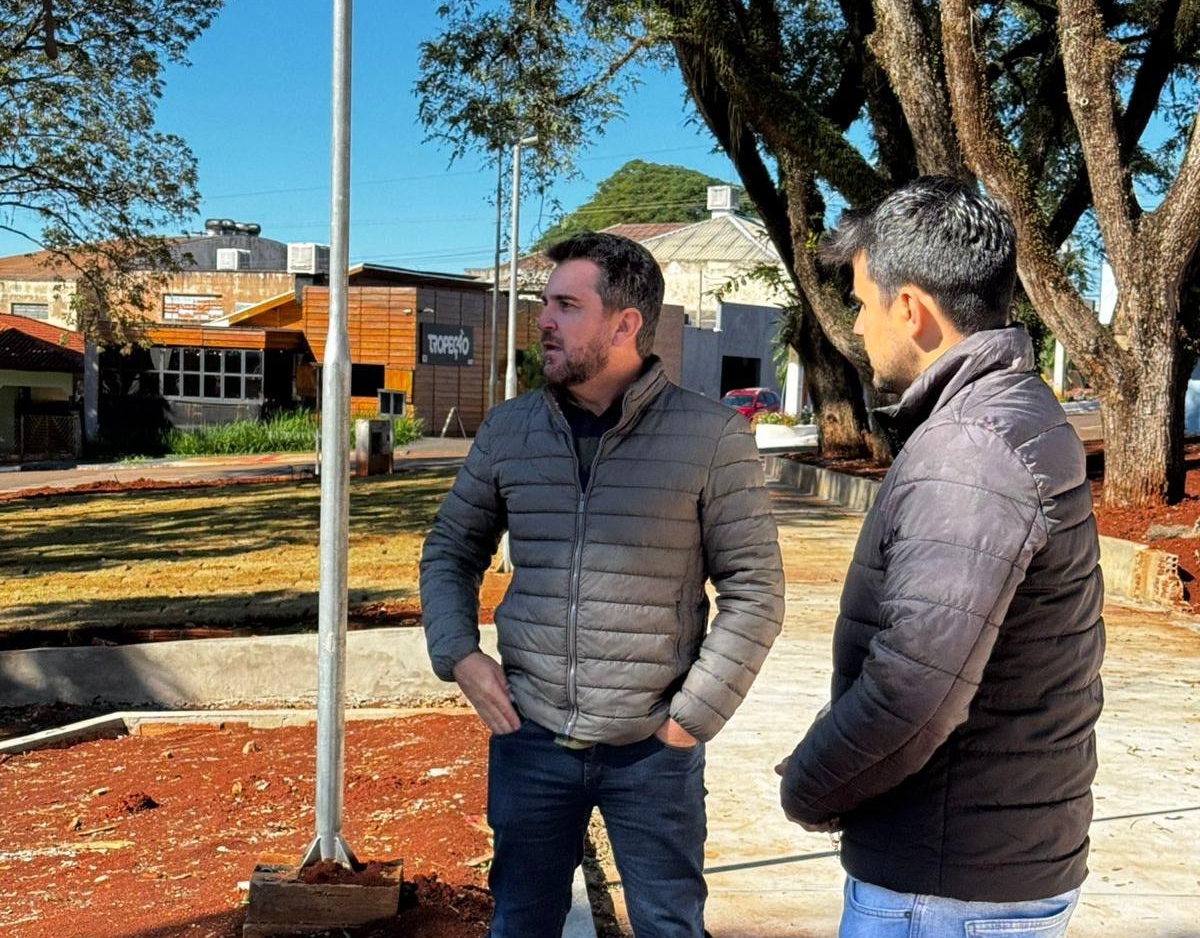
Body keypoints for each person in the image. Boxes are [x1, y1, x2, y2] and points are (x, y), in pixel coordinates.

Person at [421, 231, 785, 938]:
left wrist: (691, 719)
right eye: (543, 303)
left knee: (668, 927)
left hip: (654, 751)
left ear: (625, 324)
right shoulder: (508, 431)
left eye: (565, 304)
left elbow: (756, 589)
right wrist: (460, 654)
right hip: (530, 738)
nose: (543, 320)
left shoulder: (711, 439)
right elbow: (449, 550)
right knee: (520, 924)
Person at [777, 176, 1104, 938]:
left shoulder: (970, 445)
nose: (855, 326)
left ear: (912, 310)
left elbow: (912, 687)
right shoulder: (1015, 411)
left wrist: (807, 784)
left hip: (943, 890)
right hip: (982, 869)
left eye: (860, 302)